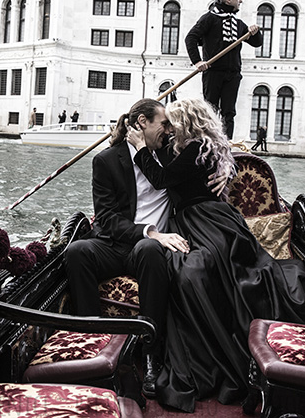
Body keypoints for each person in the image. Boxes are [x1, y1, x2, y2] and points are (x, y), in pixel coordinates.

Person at [125, 98, 305, 411]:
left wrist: (141, 149)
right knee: (185, 270)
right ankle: (200, 352)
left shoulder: (198, 147)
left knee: (193, 271)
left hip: (211, 222)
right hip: (189, 223)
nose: (170, 130)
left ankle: (214, 357)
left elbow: (161, 179)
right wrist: (132, 138)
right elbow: (150, 142)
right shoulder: (184, 148)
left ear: (188, 123)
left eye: (174, 123)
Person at [65, 98, 228, 399]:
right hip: (116, 244)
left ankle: (152, 355)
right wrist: (149, 231)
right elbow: (107, 218)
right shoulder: (106, 160)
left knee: (150, 250)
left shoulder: (169, 154)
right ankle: (93, 341)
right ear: (143, 123)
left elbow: (208, 150)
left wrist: (227, 172)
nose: (168, 131)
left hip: (151, 250)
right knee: (77, 252)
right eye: (163, 124)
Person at [184, 0, 263, 139]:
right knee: (210, 110)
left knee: (229, 112)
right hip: (213, 72)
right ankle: (207, 141)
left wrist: (255, 32)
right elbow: (191, 38)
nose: (241, 1)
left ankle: (227, 143)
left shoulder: (239, 24)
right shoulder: (209, 18)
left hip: (233, 74)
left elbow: (256, 43)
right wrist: (198, 62)